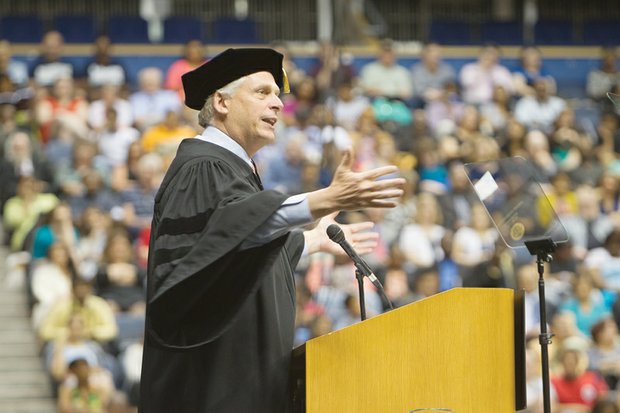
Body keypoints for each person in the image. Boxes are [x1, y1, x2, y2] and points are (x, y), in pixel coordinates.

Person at [138, 48, 405, 413]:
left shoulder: (234, 171)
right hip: (207, 388)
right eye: (263, 92)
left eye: (278, 95)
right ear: (221, 102)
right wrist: (322, 200)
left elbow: (233, 248)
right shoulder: (201, 167)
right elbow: (224, 238)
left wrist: (312, 240)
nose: (278, 104)